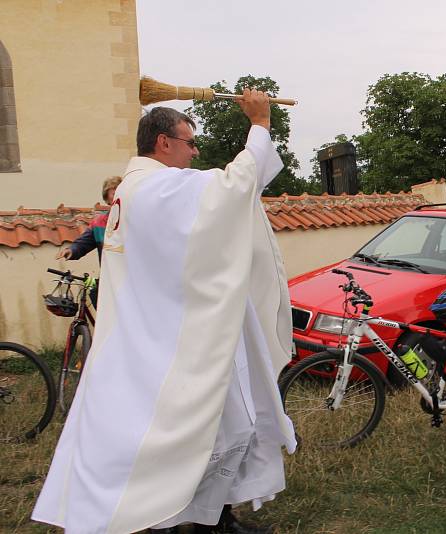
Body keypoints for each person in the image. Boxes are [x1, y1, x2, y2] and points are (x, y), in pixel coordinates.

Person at [33, 91, 295, 534]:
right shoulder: (155, 187)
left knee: (221, 428)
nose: (195, 151)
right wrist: (260, 123)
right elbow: (236, 186)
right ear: (162, 143)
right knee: (196, 432)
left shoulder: (135, 188)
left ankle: (212, 518)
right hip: (173, 339)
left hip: (150, 331)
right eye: (189, 142)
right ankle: (174, 520)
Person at [57, 176, 122, 263]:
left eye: (121, 193)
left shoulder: (135, 221)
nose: (118, 197)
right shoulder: (99, 224)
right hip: (108, 275)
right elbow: (83, 243)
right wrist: (72, 250)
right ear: (107, 199)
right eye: (114, 194)